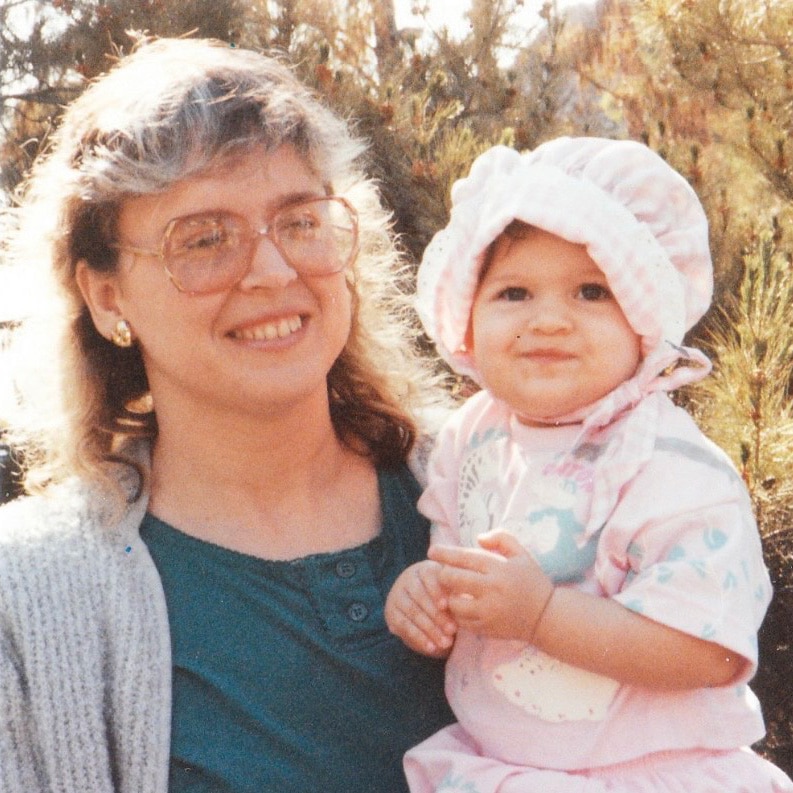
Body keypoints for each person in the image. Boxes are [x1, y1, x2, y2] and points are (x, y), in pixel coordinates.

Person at [0, 36, 454, 793]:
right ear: (106, 296)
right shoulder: (26, 597)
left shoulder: (499, 481)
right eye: (205, 239)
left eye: (300, 221)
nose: (272, 271)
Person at [384, 138, 793, 792]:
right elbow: (462, 566)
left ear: (645, 319)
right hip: (508, 766)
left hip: (651, 773)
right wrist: (428, 594)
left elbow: (709, 651)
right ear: (466, 316)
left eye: (591, 291)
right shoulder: (472, 436)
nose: (549, 320)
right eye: (514, 292)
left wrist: (542, 615)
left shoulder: (674, 469)